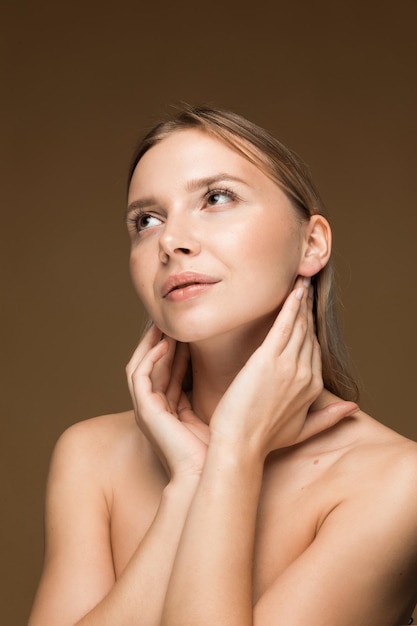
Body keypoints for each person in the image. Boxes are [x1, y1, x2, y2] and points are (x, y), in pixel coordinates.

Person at [29, 106, 417, 626]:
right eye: (147, 220)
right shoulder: (91, 456)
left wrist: (234, 455)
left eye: (216, 198)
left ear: (312, 243)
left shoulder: (397, 483)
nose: (170, 241)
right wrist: (190, 480)